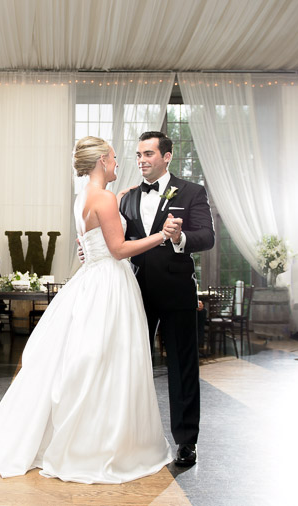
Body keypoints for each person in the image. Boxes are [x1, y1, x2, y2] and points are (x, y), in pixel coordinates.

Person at [0, 136, 175, 484]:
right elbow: (119, 249)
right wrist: (161, 236)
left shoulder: (85, 197)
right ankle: (97, 443)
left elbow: (98, 234)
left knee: (89, 358)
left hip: (91, 279)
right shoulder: (103, 198)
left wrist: (125, 196)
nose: (118, 164)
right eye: (115, 159)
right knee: (108, 361)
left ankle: (83, 435)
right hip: (109, 283)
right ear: (102, 161)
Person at [122, 131, 215, 466]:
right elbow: (119, 239)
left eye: (148, 154)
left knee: (183, 368)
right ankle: (131, 438)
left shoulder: (191, 192)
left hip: (177, 292)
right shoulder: (128, 197)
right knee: (132, 366)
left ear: (167, 156)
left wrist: (181, 237)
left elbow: (207, 236)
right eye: (138, 155)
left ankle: (186, 442)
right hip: (135, 293)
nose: (142, 161)